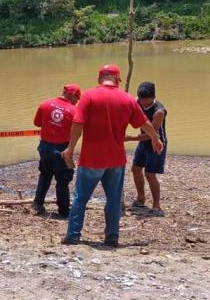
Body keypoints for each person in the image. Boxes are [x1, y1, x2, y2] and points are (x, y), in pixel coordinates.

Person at [60, 65, 164, 247]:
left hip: (92, 159)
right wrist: (155, 138)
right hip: (116, 160)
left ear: (100, 78)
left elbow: (77, 124)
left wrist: (70, 148)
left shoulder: (89, 96)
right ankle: (112, 237)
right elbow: (144, 122)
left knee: (80, 198)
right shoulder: (127, 99)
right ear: (117, 79)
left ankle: (73, 236)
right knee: (114, 199)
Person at [32, 84, 81, 218]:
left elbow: (37, 123)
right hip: (62, 149)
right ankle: (64, 211)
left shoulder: (45, 104)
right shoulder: (74, 111)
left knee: (45, 175)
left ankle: (37, 204)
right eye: (77, 98)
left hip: (44, 147)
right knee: (63, 181)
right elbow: (77, 131)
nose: (77, 102)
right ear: (72, 96)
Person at [126, 81, 167, 215]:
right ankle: (141, 198)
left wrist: (130, 138)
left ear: (153, 97)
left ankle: (156, 205)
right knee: (136, 169)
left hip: (156, 143)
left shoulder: (159, 111)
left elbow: (151, 134)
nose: (143, 103)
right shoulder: (136, 101)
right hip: (142, 143)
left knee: (150, 174)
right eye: (141, 100)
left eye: (146, 101)